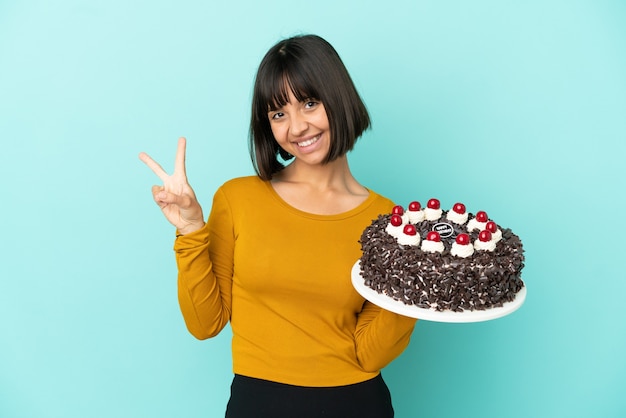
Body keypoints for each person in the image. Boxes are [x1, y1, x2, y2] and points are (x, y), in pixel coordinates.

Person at [139, 34, 417, 418]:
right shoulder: (238, 199)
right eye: (278, 114)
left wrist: (417, 284)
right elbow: (205, 324)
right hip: (258, 404)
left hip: (357, 403)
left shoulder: (389, 222)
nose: (298, 127)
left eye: (309, 103)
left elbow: (371, 354)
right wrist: (190, 230)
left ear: (338, 98)